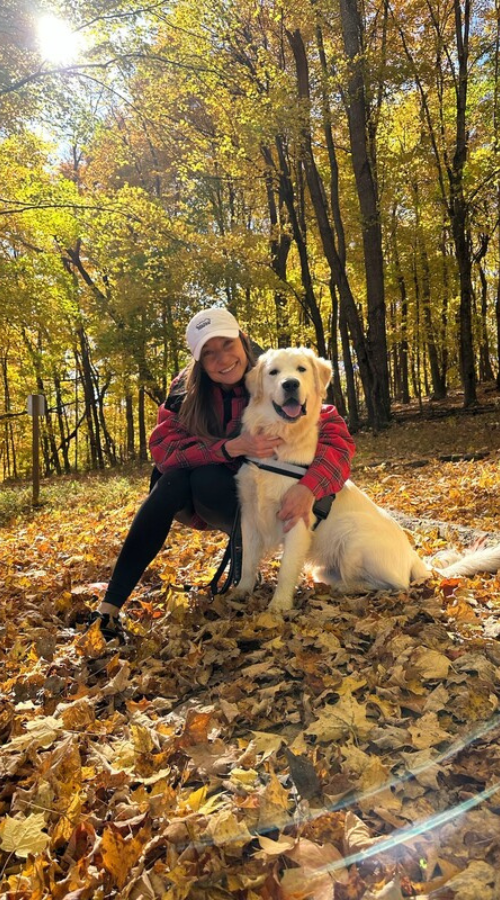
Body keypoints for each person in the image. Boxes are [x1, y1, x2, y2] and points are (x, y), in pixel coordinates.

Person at [88, 307, 355, 641]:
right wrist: (230, 447)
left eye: (227, 345)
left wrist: (309, 487)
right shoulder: (185, 389)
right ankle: (109, 608)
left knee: (202, 478)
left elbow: (336, 440)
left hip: (263, 499)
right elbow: (163, 450)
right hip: (207, 496)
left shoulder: (273, 370)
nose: (222, 359)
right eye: (209, 353)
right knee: (173, 480)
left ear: (243, 340)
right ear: (199, 362)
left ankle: (247, 565)